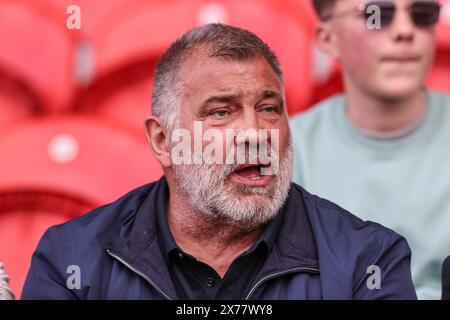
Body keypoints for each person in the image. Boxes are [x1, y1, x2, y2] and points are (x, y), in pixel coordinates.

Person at [23, 23, 416, 300]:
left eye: (269, 108)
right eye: (221, 113)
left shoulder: (369, 261)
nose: (255, 133)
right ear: (163, 141)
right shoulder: (70, 259)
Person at [290, 0, 449, 299]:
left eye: (423, 13)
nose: (405, 30)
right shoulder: (288, 150)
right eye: (378, 15)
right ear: (328, 38)